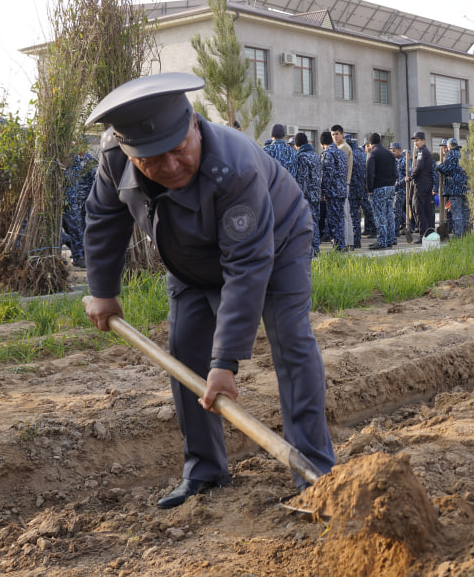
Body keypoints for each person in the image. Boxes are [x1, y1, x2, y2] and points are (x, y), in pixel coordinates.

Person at [81, 73, 335, 508]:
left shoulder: (234, 167)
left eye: (179, 151)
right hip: (189, 259)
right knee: (183, 353)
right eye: (153, 161)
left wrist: (225, 363)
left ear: (194, 126)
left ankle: (316, 475)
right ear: (127, 151)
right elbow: (105, 219)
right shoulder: (113, 158)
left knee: (291, 343)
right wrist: (102, 291)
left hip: (276, 240)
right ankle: (204, 469)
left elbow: (248, 266)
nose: (171, 167)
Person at [365, 133, 397, 250]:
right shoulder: (390, 154)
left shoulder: (372, 154)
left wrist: (370, 189)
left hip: (378, 188)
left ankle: (382, 241)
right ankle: (391, 239)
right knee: (389, 214)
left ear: (370, 143)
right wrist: (391, 184)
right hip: (390, 187)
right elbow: (395, 173)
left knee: (379, 216)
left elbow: (370, 174)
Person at [293, 132, 322, 258]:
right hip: (316, 193)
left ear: (296, 144)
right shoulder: (315, 155)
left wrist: (299, 196)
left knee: (307, 222)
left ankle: (311, 250)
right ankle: (316, 248)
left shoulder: (301, 157)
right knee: (315, 220)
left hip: (307, 195)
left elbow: (302, 178)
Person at [319, 131, 349, 252]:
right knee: (339, 218)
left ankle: (339, 246)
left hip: (333, 192)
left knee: (334, 219)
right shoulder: (341, 153)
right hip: (341, 190)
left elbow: (327, 174)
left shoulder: (328, 153)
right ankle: (341, 244)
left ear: (322, 143)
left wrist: (323, 191)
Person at [436, 137, 469, 238]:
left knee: (457, 214)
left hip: (455, 189)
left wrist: (439, 166)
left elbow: (447, 169)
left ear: (449, 146)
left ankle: (458, 236)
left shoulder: (451, 154)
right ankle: (466, 235)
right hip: (465, 188)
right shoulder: (465, 154)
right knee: (465, 214)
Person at [330, 125, 355, 246]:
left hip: (343, 184)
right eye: (333, 134)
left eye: (337, 134)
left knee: (344, 214)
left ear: (342, 134)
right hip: (345, 184)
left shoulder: (343, 148)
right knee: (346, 213)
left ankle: (346, 241)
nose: (335, 136)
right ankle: (349, 241)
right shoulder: (340, 147)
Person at [409, 131, 436, 240]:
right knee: (426, 209)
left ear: (423, 141)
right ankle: (429, 233)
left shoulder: (421, 152)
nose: (415, 143)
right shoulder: (427, 151)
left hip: (421, 184)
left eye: (418, 140)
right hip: (427, 183)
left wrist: (411, 176)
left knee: (419, 209)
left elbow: (419, 167)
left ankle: (423, 235)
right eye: (415, 140)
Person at [391, 142, 408, 236]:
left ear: (399, 151)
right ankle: (408, 225)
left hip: (401, 189)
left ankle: (396, 230)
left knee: (396, 210)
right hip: (395, 189)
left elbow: (407, 176)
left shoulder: (404, 161)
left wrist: (397, 184)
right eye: (391, 151)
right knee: (399, 210)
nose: (392, 152)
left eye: (394, 151)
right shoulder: (394, 161)